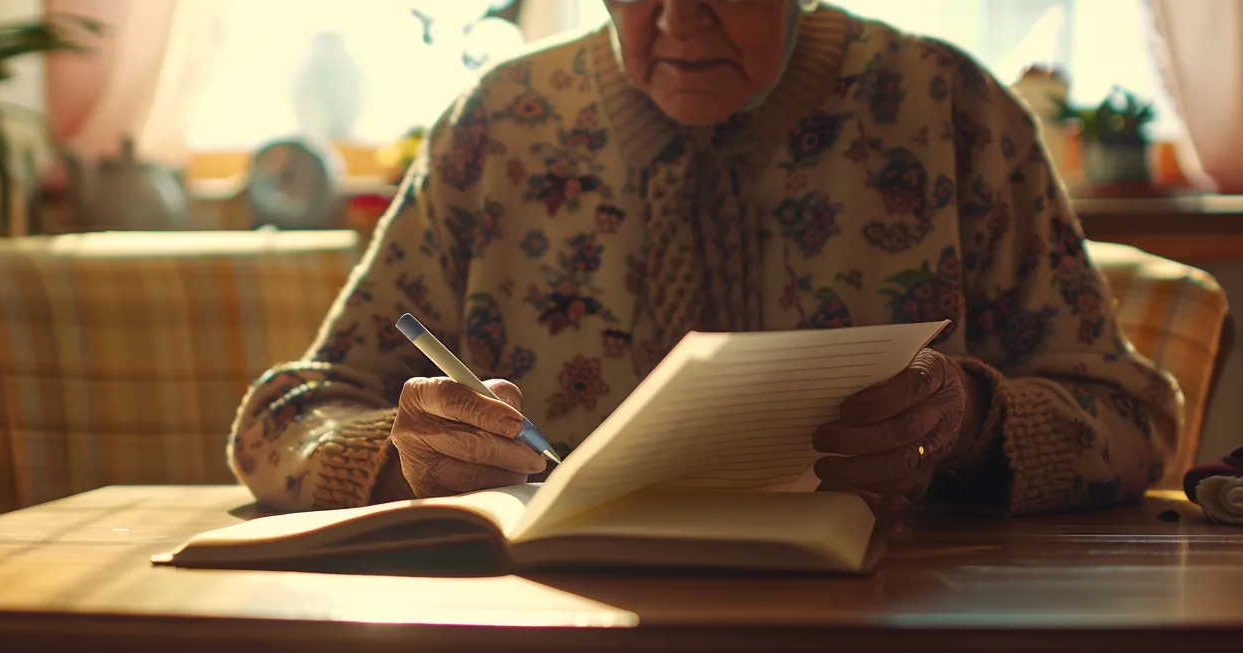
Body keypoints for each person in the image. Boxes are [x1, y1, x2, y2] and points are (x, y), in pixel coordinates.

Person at [227, 0, 1183, 516]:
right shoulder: (499, 128)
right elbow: (282, 420)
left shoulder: (946, 110)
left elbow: (1134, 419)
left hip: (887, 635)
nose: (681, 20)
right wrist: (403, 460)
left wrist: (971, 417)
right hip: (541, 638)